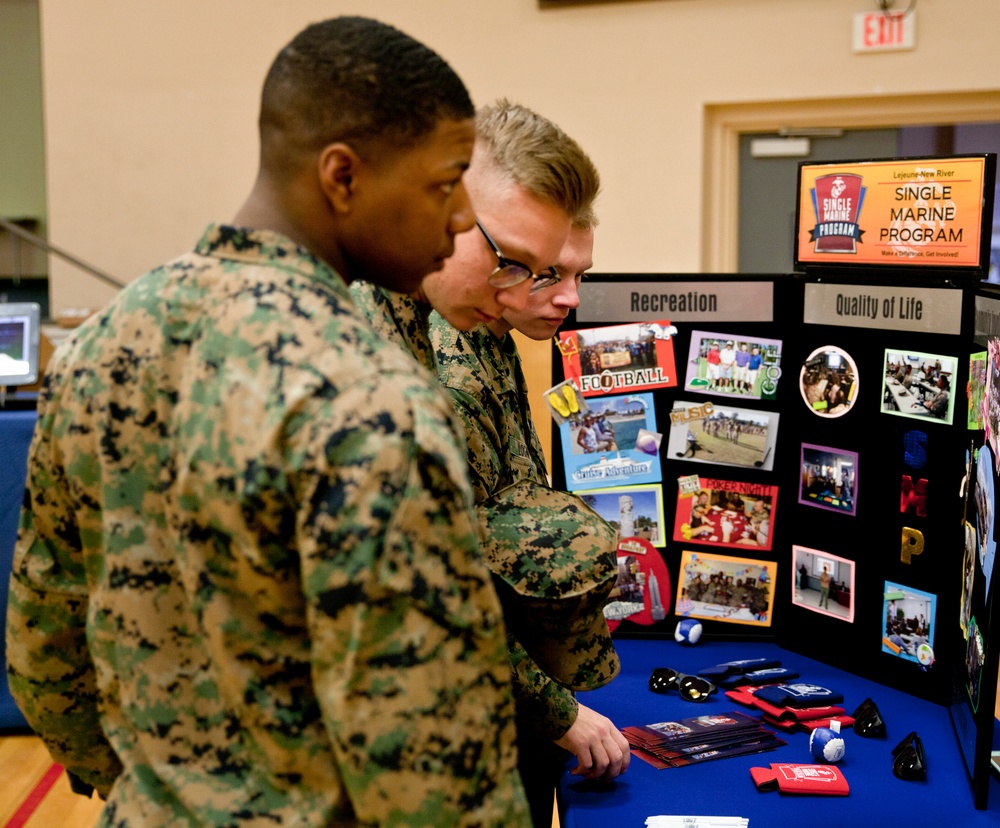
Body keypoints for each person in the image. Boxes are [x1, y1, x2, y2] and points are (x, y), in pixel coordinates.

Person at [5, 18, 531, 826]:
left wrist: (148, 793)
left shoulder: (99, 344)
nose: (462, 215)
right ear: (342, 177)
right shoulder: (368, 400)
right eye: (445, 180)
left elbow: (44, 644)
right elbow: (435, 768)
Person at [429, 102, 630, 828]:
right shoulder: (436, 359)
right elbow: (442, 596)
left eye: (564, 270)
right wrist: (559, 713)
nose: (565, 296)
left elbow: (516, 504)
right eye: (534, 267)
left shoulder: (482, 328)